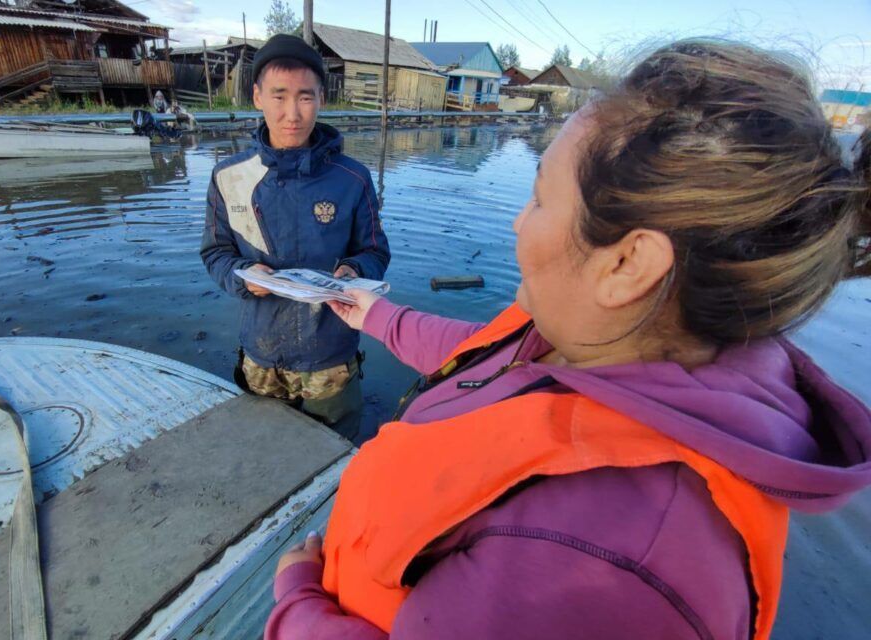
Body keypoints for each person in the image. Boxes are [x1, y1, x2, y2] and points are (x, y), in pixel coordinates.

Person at [264, 40, 871, 639]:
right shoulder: (606, 334)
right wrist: (378, 316)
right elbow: (485, 356)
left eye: (538, 198)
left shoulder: (598, 562)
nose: (517, 222)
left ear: (628, 264)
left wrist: (297, 602)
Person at [201, 34, 390, 439]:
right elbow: (216, 252)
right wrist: (243, 275)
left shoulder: (353, 178)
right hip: (261, 352)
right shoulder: (228, 177)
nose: (292, 114)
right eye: (279, 96)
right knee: (263, 447)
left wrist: (353, 271)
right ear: (257, 96)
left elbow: (375, 251)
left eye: (305, 97)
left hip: (330, 357)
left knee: (336, 448)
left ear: (321, 98)